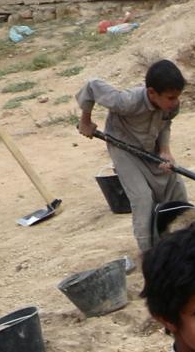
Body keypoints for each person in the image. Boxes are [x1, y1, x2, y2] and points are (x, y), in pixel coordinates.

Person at [78, 59, 188, 263]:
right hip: (123, 147)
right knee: (142, 197)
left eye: (177, 97)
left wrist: (165, 150)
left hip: (150, 146)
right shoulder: (127, 101)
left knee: (175, 185)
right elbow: (92, 86)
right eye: (170, 97)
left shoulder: (172, 106)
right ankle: (149, 253)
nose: (175, 103)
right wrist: (85, 120)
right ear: (152, 93)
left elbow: (165, 124)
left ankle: (181, 240)